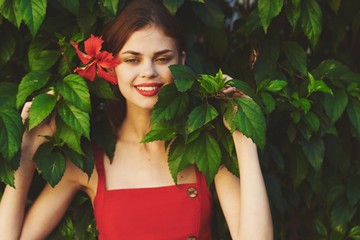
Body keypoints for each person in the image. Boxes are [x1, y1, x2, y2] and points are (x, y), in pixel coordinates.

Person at [0, 0, 273, 239]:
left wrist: (243, 136)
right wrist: (25, 153)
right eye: (132, 60)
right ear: (110, 66)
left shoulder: (203, 149)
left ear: (182, 61)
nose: (149, 72)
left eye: (162, 58)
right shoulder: (88, 162)